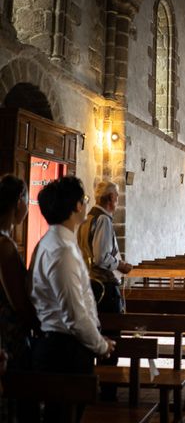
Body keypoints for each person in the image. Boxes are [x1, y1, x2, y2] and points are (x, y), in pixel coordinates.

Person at [29, 176, 115, 422]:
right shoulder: (62, 251)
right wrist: (100, 345)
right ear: (77, 206)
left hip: (61, 345)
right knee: (64, 417)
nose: (85, 205)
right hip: (64, 351)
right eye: (84, 200)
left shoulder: (50, 243)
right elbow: (74, 314)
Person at [77, 180, 131, 400]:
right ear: (110, 199)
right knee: (110, 339)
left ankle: (92, 387)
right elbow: (101, 257)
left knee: (93, 337)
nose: (117, 202)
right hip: (104, 290)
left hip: (88, 285)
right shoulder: (104, 221)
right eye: (117, 198)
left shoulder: (86, 219)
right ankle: (108, 392)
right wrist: (121, 265)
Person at [0, 175, 39, 421]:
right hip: (8, 340)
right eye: (27, 199)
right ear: (19, 203)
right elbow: (20, 303)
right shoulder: (5, 246)